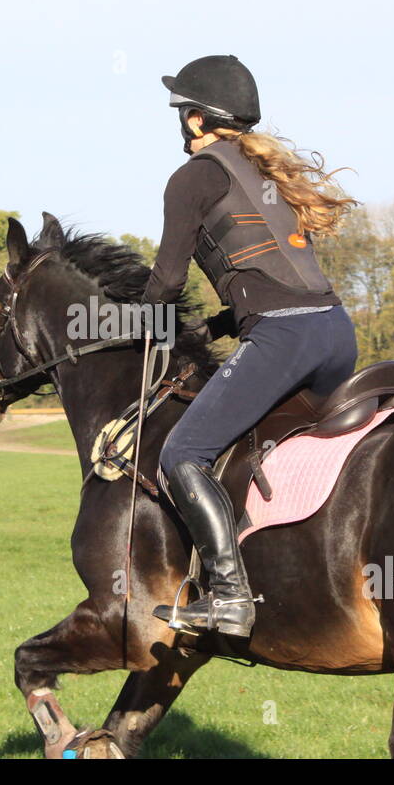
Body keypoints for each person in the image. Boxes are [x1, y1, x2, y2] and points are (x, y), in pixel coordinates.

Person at [143, 54, 360, 639]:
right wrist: (217, 328)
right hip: (336, 333)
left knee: (183, 452)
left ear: (194, 120)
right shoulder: (264, 174)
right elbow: (270, 282)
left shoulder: (193, 177)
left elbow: (165, 282)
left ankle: (230, 598)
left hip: (286, 336)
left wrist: (131, 319)